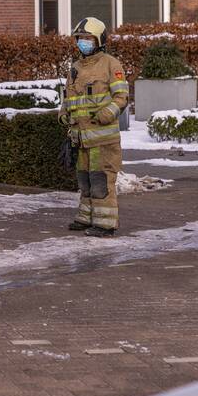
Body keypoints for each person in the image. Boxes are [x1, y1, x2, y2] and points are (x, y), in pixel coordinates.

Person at [59, 17, 129, 237]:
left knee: (101, 179)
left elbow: (121, 96)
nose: (82, 42)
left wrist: (107, 113)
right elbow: (69, 98)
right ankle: (86, 217)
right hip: (81, 138)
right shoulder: (76, 67)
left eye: (87, 38)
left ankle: (105, 223)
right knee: (85, 179)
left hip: (103, 139)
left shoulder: (111, 64)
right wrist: (63, 114)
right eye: (79, 38)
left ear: (99, 39)